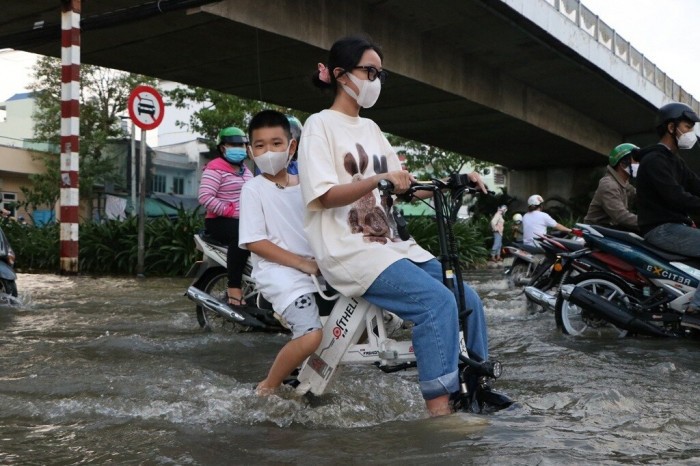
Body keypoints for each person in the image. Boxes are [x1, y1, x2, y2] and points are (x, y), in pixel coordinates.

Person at [298, 35, 491, 417]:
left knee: (470, 301)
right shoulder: (319, 126)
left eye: (380, 73)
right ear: (340, 75)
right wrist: (376, 179)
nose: (376, 80)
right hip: (349, 248)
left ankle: (476, 388)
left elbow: (405, 185)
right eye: (369, 71)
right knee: (436, 304)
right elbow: (322, 196)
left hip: (392, 246)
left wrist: (457, 179)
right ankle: (440, 410)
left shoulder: (370, 128)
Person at [238, 110, 322, 393]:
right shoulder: (253, 189)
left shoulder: (309, 188)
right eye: (260, 145)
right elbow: (255, 242)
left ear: (292, 146)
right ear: (250, 150)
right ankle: (267, 387)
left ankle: (305, 378)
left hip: (319, 270)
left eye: (276, 143)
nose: (268, 151)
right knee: (311, 336)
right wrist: (302, 264)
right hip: (281, 275)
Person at [636, 102, 700, 313]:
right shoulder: (654, 160)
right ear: (671, 128)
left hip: (673, 226)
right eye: (687, 126)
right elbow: (676, 196)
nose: (691, 132)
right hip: (661, 228)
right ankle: (696, 310)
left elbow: (695, 185)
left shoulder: (674, 160)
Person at [197, 126, 253, 306]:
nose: (239, 148)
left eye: (242, 145)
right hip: (219, 221)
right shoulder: (215, 169)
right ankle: (234, 287)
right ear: (222, 148)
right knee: (242, 236)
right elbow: (205, 197)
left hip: (245, 220)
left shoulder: (246, 170)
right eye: (233, 144)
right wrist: (230, 211)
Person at [584, 143, 639, 231]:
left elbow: (641, 195)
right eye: (636, 161)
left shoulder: (624, 184)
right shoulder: (609, 185)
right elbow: (621, 216)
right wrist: (648, 223)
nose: (638, 164)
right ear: (623, 164)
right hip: (596, 232)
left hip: (609, 231)